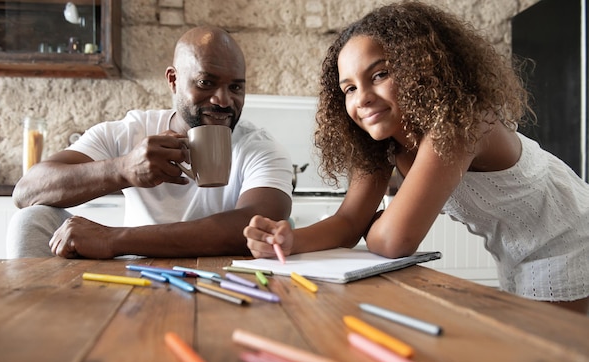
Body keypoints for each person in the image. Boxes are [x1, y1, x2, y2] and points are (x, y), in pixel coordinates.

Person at [243, 1, 589, 314]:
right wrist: (290, 238)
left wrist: (376, 224)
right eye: (349, 88)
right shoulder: (384, 143)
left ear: (421, 68)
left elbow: (394, 240)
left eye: (379, 75)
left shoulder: (456, 124)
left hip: (568, 240)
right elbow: (349, 222)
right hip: (515, 250)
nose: (362, 98)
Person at [7, 26, 293, 259]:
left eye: (236, 87)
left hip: (223, 277)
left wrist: (114, 239)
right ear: (173, 80)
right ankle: (36, 323)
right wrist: (122, 170)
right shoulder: (129, 132)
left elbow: (253, 225)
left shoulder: (261, 148)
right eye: (206, 83)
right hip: (130, 276)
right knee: (31, 219)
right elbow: (27, 190)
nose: (223, 100)